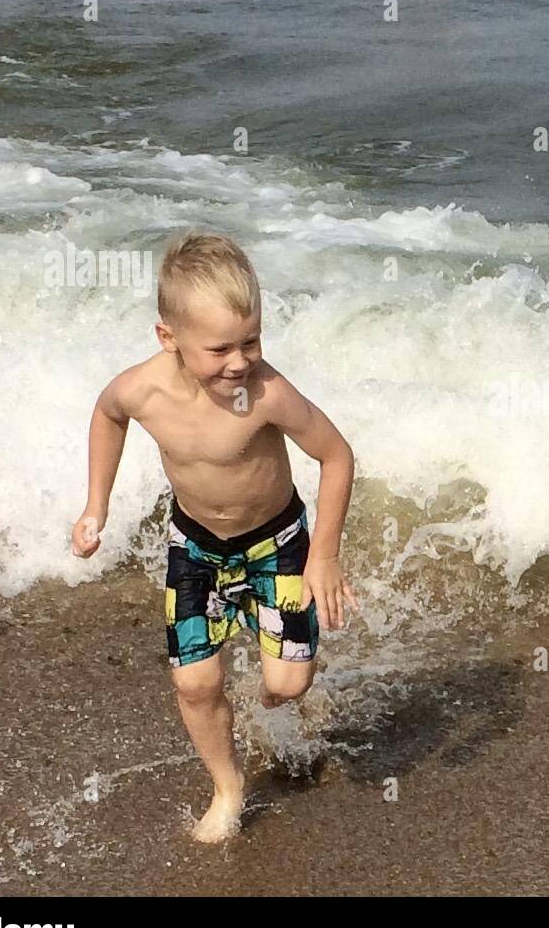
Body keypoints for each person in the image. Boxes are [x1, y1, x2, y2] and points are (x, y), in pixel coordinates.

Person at [71, 232, 358, 842]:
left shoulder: (267, 394)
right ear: (167, 338)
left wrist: (324, 557)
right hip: (194, 547)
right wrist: (96, 504)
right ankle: (228, 788)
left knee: (287, 684)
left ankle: (280, 685)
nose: (240, 361)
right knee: (194, 683)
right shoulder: (140, 390)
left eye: (251, 340)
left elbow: (337, 456)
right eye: (221, 347)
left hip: (276, 544)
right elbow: (107, 415)